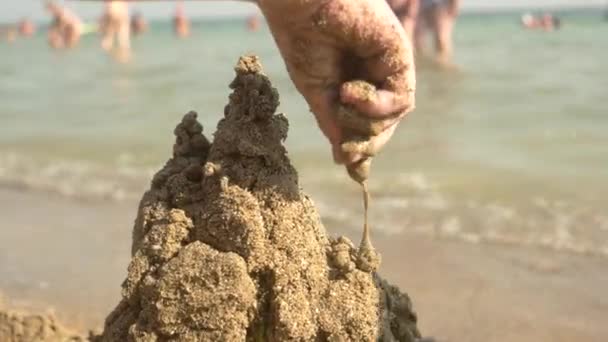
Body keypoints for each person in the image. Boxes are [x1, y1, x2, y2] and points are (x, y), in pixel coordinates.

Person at [414, 0, 460, 67]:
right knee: (418, 41)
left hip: (440, 4)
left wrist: (455, 5)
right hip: (421, 4)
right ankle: (425, 68)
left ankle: (443, 67)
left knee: (441, 38)